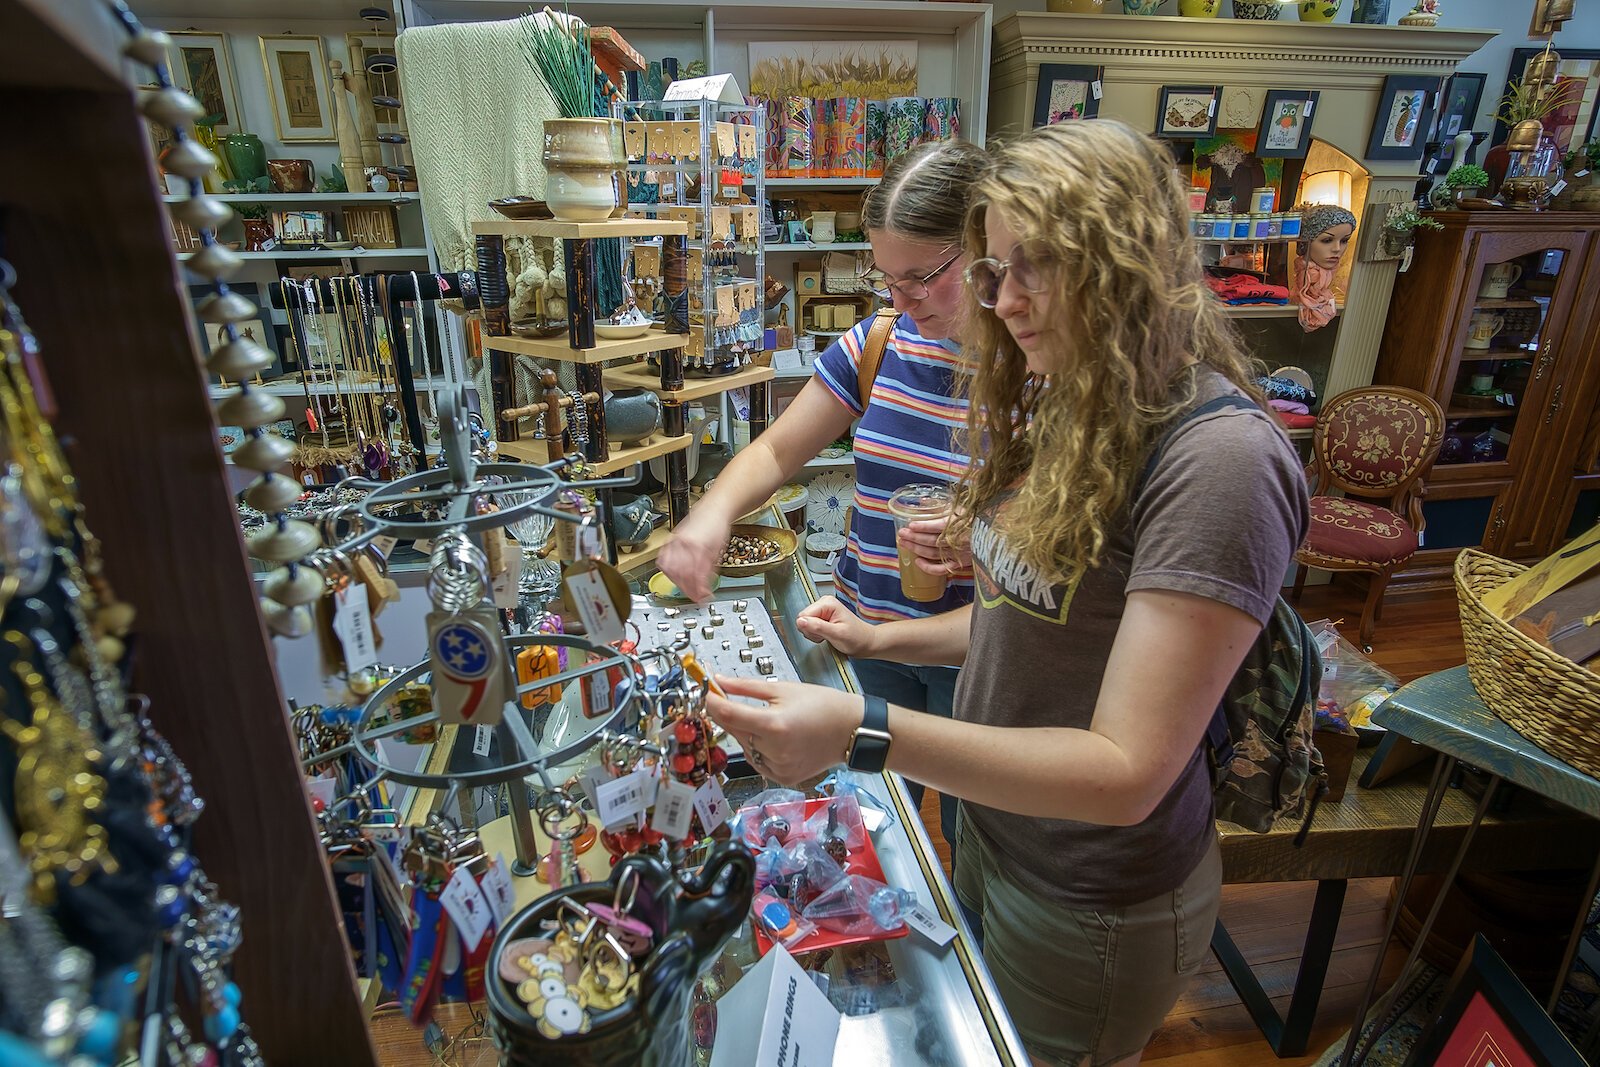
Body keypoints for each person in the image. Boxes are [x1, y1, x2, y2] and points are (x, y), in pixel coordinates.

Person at [704, 120, 1309, 1067]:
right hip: (995, 837)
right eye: (992, 270)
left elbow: (1124, 769)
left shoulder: (1219, 461)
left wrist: (865, 731)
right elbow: (1028, 624)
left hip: (1090, 895)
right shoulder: (1071, 396)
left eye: (1034, 267)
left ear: (1122, 263)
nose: (1006, 301)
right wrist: (881, 643)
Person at [657, 140, 986, 848]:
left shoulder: (1033, 369)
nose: (900, 298)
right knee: (867, 825)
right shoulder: (878, 342)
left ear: (984, 244)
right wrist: (710, 515)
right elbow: (778, 448)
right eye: (886, 276)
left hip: (977, 657)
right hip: (866, 638)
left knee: (972, 837)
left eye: (923, 276)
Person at [1294, 202, 1356, 332]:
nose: (1337, 249)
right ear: (1306, 242)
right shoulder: (1308, 277)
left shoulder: (1327, 280)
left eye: (1344, 240)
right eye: (1327, 241)